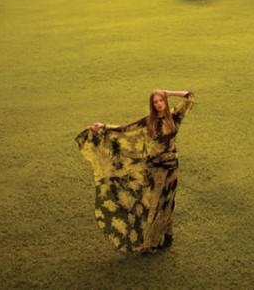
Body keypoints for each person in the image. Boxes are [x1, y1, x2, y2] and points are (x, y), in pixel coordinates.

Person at [75, 89, 195, 253]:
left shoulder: (174, 116)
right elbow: (125, 129)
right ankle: (152, 240)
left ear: (165, 102)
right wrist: (104, 127)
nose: (159, 104)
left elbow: (189, 97)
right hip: (156, 168)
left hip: (172, 166)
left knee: (169, 202)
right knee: (155, 203)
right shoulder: (149, 121)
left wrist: (167, 92)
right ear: (152, 105)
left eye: (161, 101)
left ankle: (167, 234)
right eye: (156, 102)